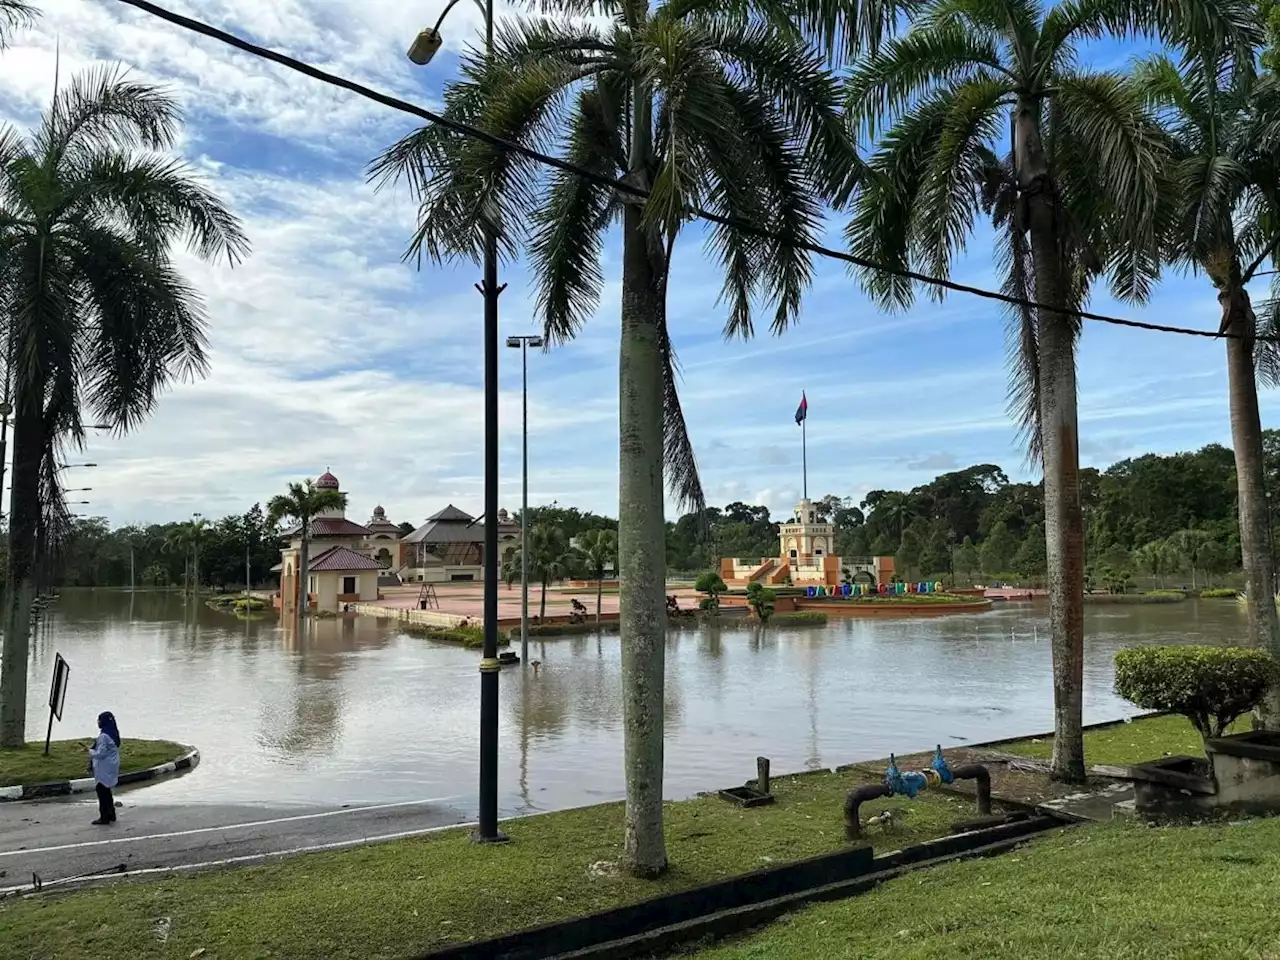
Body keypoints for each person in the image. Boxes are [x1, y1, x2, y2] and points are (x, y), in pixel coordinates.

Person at [87, 711, 121, 826]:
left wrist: (90, 751)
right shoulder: (113, 734)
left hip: (104, 767)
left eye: (99, 720)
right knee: (106, 790)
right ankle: (111, 814)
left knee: (101, 791)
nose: (98, 722)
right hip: (111, 765)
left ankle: (104, 817)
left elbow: (100, 753)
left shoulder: (103, 736)